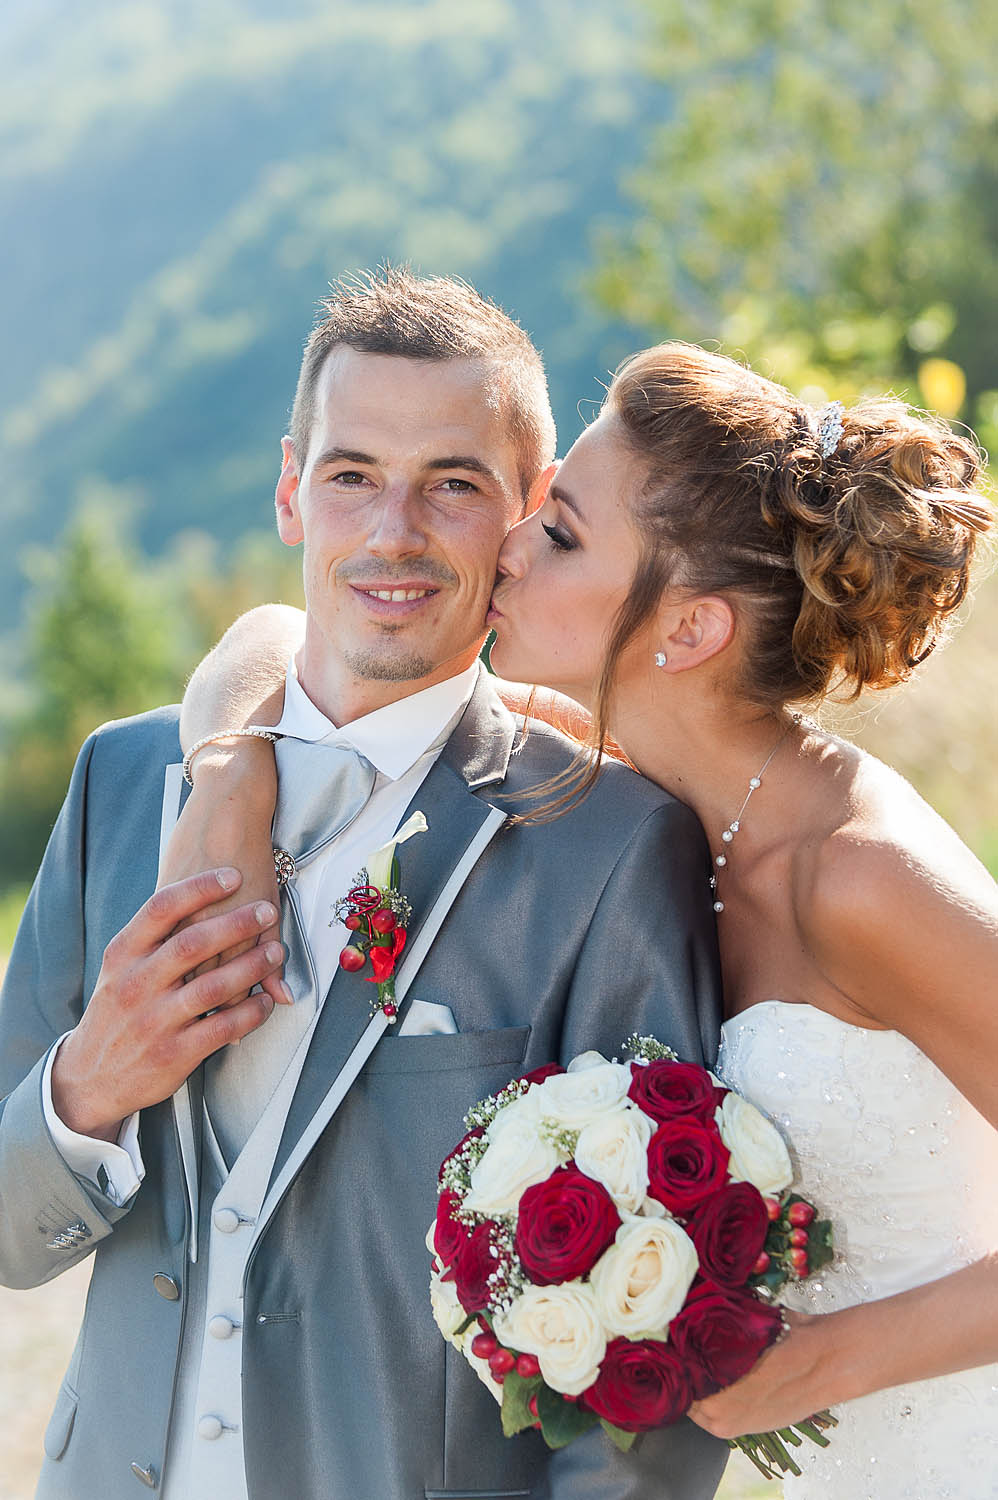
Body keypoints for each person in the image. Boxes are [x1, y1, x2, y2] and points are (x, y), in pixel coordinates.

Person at [190, 341, 998, 1498]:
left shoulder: (855, 875)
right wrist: (226, 780)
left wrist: (815, 1362)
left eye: (559, 533)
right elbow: (274, 637)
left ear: (687, 632)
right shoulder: (637, 772)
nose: (505, 549)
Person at [0, 271, 728, 1500]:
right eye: (351, 475)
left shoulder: (606, 844)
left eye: (452, 482)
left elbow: (651, 1375)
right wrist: (87, 1086)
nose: (393, 530)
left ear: (527, 511)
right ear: (291, 488)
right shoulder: (128, 779)